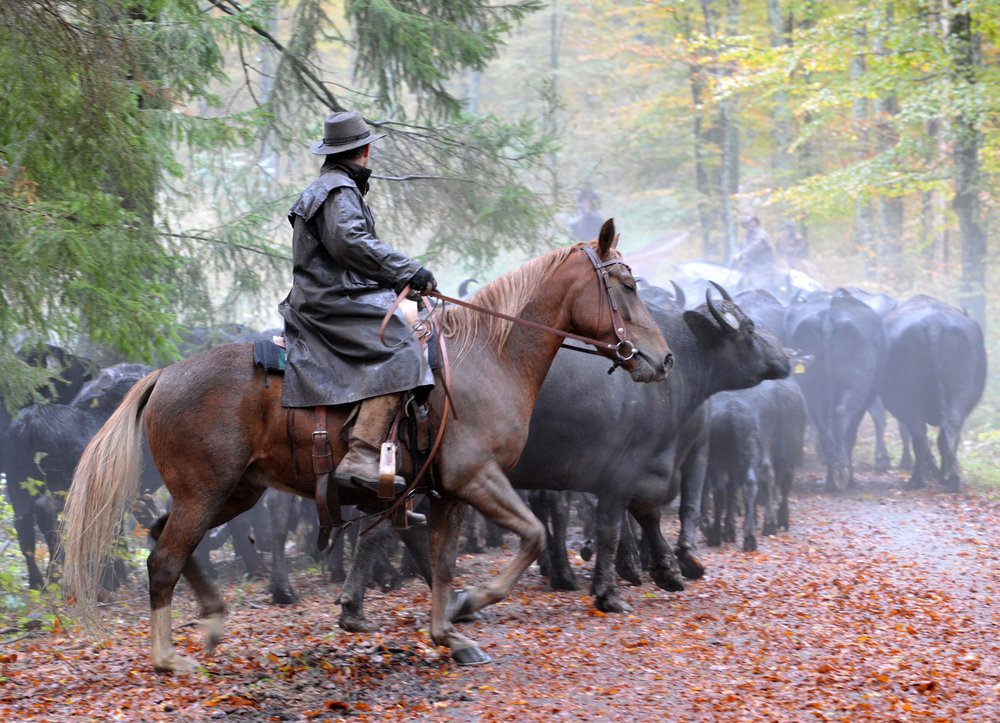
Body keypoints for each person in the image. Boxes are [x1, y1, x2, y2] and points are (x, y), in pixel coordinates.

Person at [278, 110, 436, 491]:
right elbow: (351, 244)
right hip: (332, 302)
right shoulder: (338, 191)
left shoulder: (332, 188)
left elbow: (350, 255)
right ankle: (362, 454)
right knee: (402, 349)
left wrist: (401, 283)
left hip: (336, 294)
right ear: (364, 150)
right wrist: (406, 270)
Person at [734, 215, 786, 290]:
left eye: (751, 223)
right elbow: (740, 246)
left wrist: (742, 253)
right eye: (746, 224)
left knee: (758, 286)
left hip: (763, 265)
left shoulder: (761, 234)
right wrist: (736, 253)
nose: (749, 225)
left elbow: (755, 246)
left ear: (755, 223)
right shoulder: (747, 237)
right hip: (751, 265)